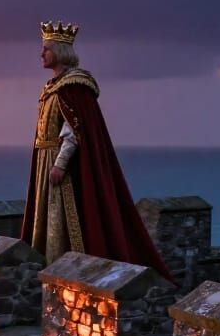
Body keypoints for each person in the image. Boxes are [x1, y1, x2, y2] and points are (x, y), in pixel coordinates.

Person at [21, 20, 175, 283]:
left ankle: (66, 273)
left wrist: (59, 164)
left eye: (46, 49)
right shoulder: (51, 87)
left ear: (59, 50)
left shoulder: (74, 87)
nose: (41, 54)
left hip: (63, 168)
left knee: (65, 221)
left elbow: (73, 132)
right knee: (45, 221)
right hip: (44, 160)